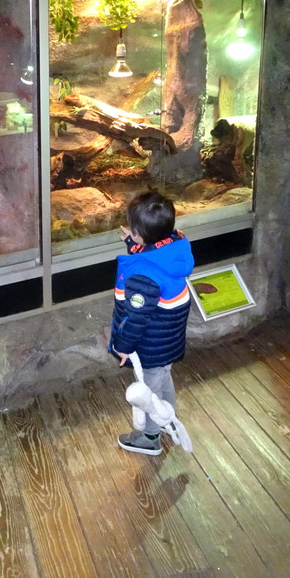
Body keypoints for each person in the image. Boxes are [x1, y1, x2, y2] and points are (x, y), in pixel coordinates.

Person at [109, 190, 199, 455]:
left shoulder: (143, 277)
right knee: (163, 376)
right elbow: (151, 252)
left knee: (147, 390)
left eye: (134, 233)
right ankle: (167, 416)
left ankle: (149, 437)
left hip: (150, 343)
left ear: (140, 233)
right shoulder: (174, 246)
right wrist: (132, 242)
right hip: (168, 338)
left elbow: (135, 318)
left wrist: (122, 345)